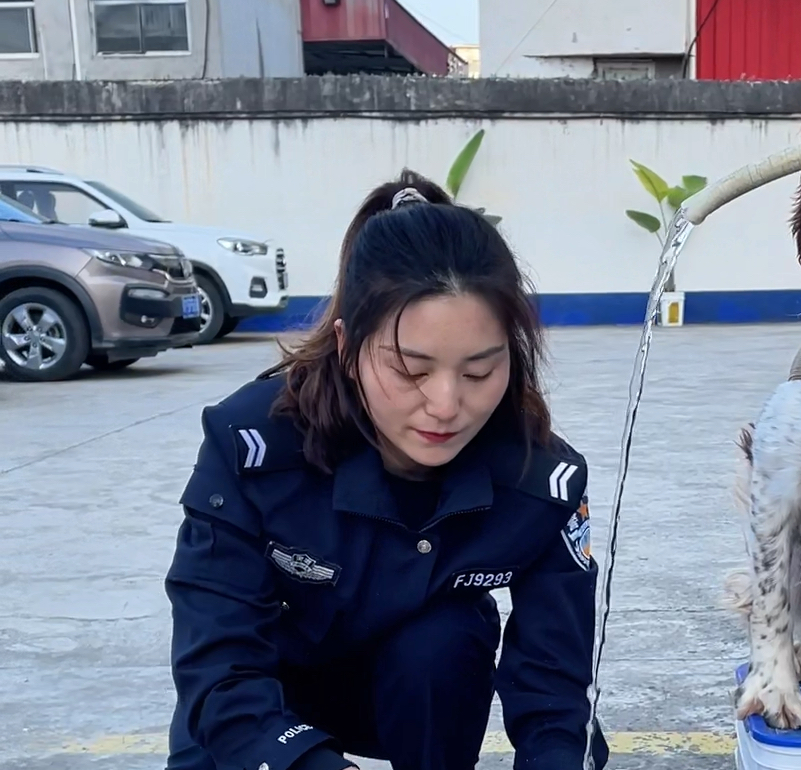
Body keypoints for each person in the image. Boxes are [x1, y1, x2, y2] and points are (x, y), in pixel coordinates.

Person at [163, 170, 610, 770]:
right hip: (258, 706)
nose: (447, 405)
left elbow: (556, 692)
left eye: (479, 372)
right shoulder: (252, 448)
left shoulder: (541, 481)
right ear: (348, 348)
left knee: (444, 640)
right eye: (410, 370)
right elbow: (217, 667)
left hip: (418, 696)